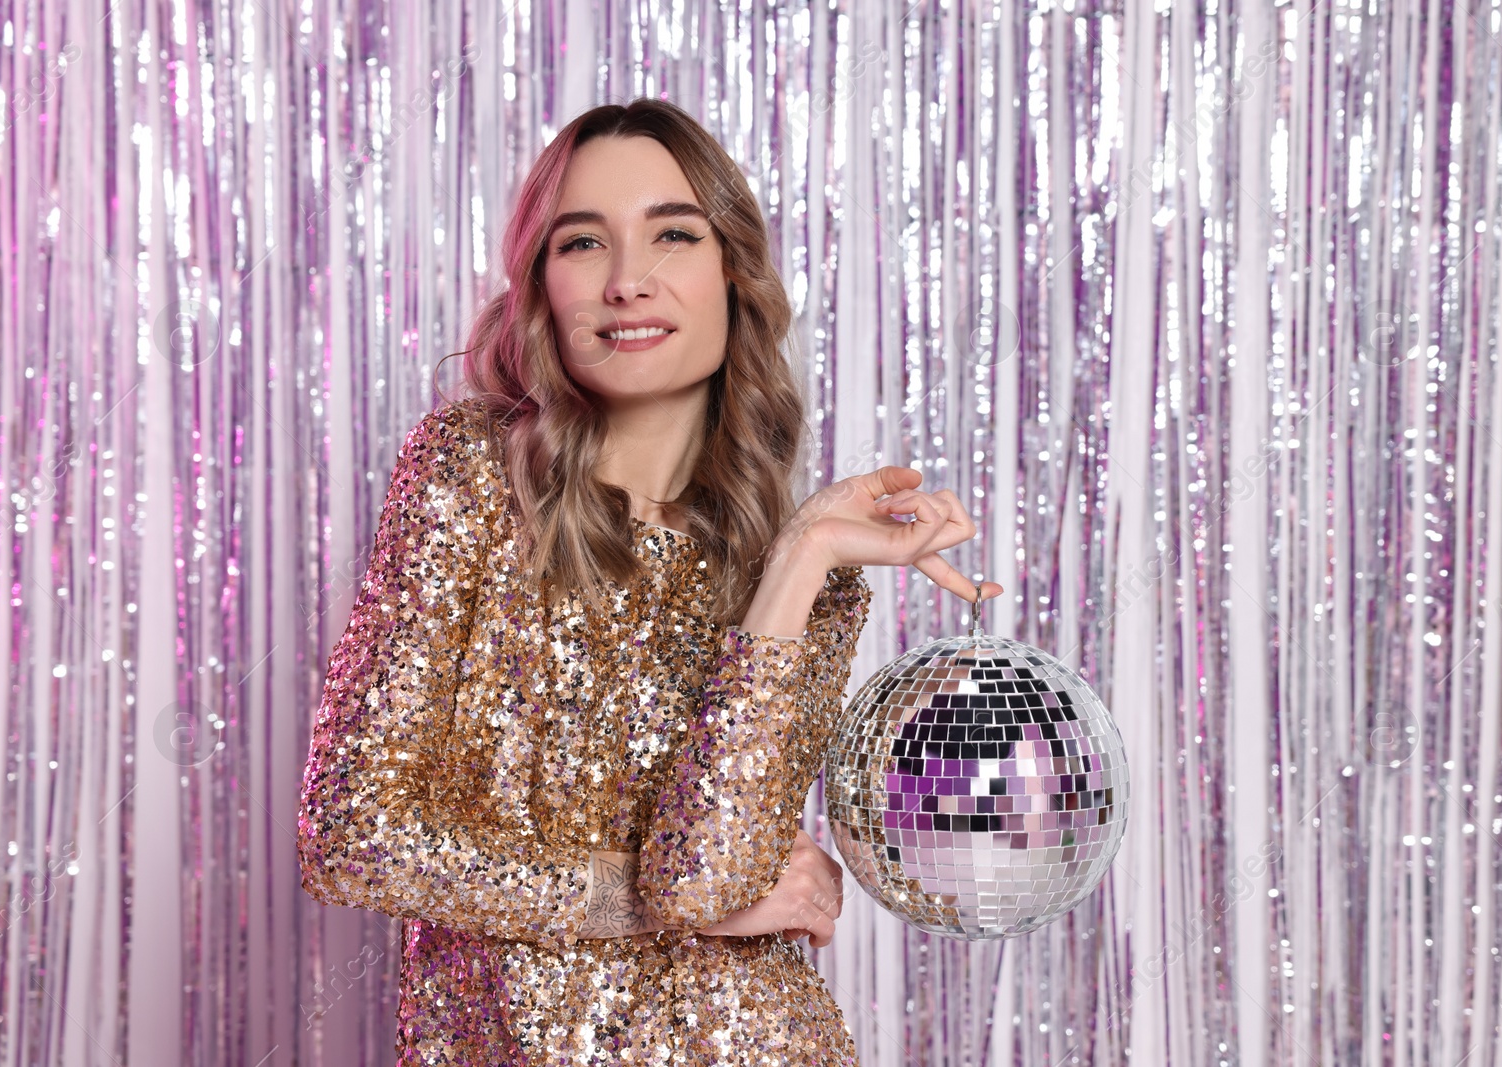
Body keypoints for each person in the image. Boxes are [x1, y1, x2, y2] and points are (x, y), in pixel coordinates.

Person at [295, 98, 1004, 1066]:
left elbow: (706, 879)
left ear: (731, 272)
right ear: (542, 284)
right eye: (582, 242)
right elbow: (350, 830)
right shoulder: (468, 473)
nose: (628, 281)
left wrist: (795, 561)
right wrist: (630, 895)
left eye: (673, 233)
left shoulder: (809, 571)